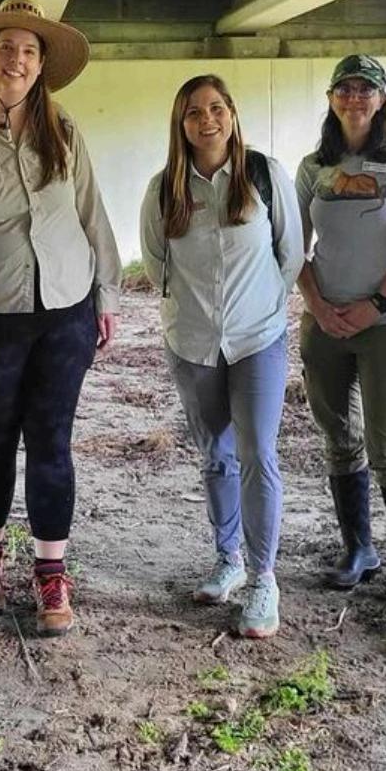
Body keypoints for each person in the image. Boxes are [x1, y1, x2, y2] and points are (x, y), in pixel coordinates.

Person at [0, 0, 122, 637]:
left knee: (51, 443)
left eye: (30, 51)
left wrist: (107, 295)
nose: (17, 60)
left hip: (65, 311)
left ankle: (50, 576)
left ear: (42, 64)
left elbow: (92, 212)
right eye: (6, 47)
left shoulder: (63, 129)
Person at [140, 75, 303, 637]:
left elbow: (290, 253)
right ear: (180, 124)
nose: (206, 120)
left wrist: (261, 305)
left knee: (258, 453)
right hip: (192, 343)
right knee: (215, 454)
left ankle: (263, 578)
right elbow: (156, 264)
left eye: (216, 108)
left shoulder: (263, 174)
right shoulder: (164, 189)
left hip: (258, 339)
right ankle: (228, 558)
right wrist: (190, 315)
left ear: (231, 113)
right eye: (193, 112)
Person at [295, 55, 386, 607]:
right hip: (325, 321)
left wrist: (375, 305)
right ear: (332, 98)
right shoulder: (313, 167)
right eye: (345, 89)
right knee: (339, 436)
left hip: (385, 323)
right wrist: (318, 306)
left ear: (381, 99)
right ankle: (358, 548)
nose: (355, 98)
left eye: (366, 89)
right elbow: (294, 248)